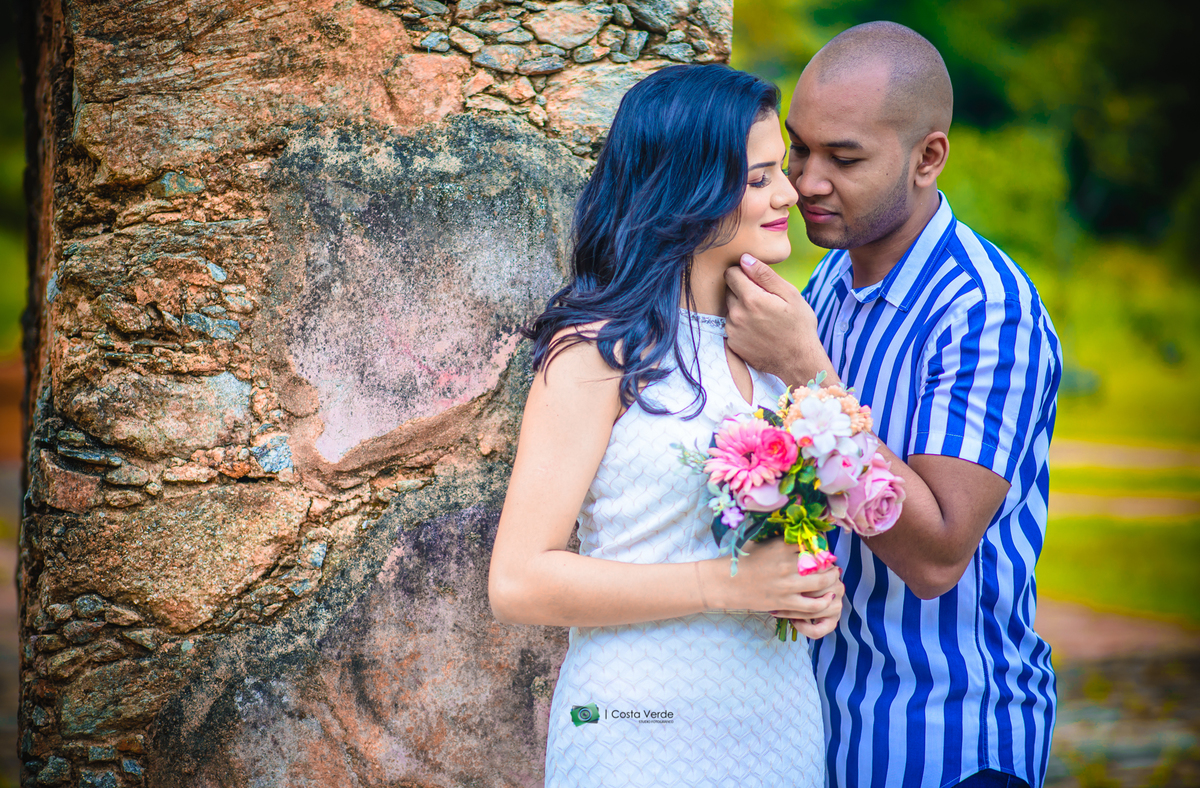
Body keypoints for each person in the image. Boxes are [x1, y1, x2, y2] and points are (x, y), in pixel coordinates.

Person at [724, 22, 1061, 788]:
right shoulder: (827, 285)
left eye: (843, 159)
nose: (806, 182)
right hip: (822, 728)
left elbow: (937, 556)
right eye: (799, 149)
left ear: (928, 158)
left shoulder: (985, 311)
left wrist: (805, 371)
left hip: (944, 739)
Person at [488, 64, 844, 787]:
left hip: (778, 727)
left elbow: (846, 500)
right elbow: (519, 581)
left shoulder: (777, 343)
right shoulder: (598, 352)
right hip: (638, 733)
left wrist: (809, 584)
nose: (788, 193)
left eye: (779, 171)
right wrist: (727, 585)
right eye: (759, 178)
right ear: (687, 188)